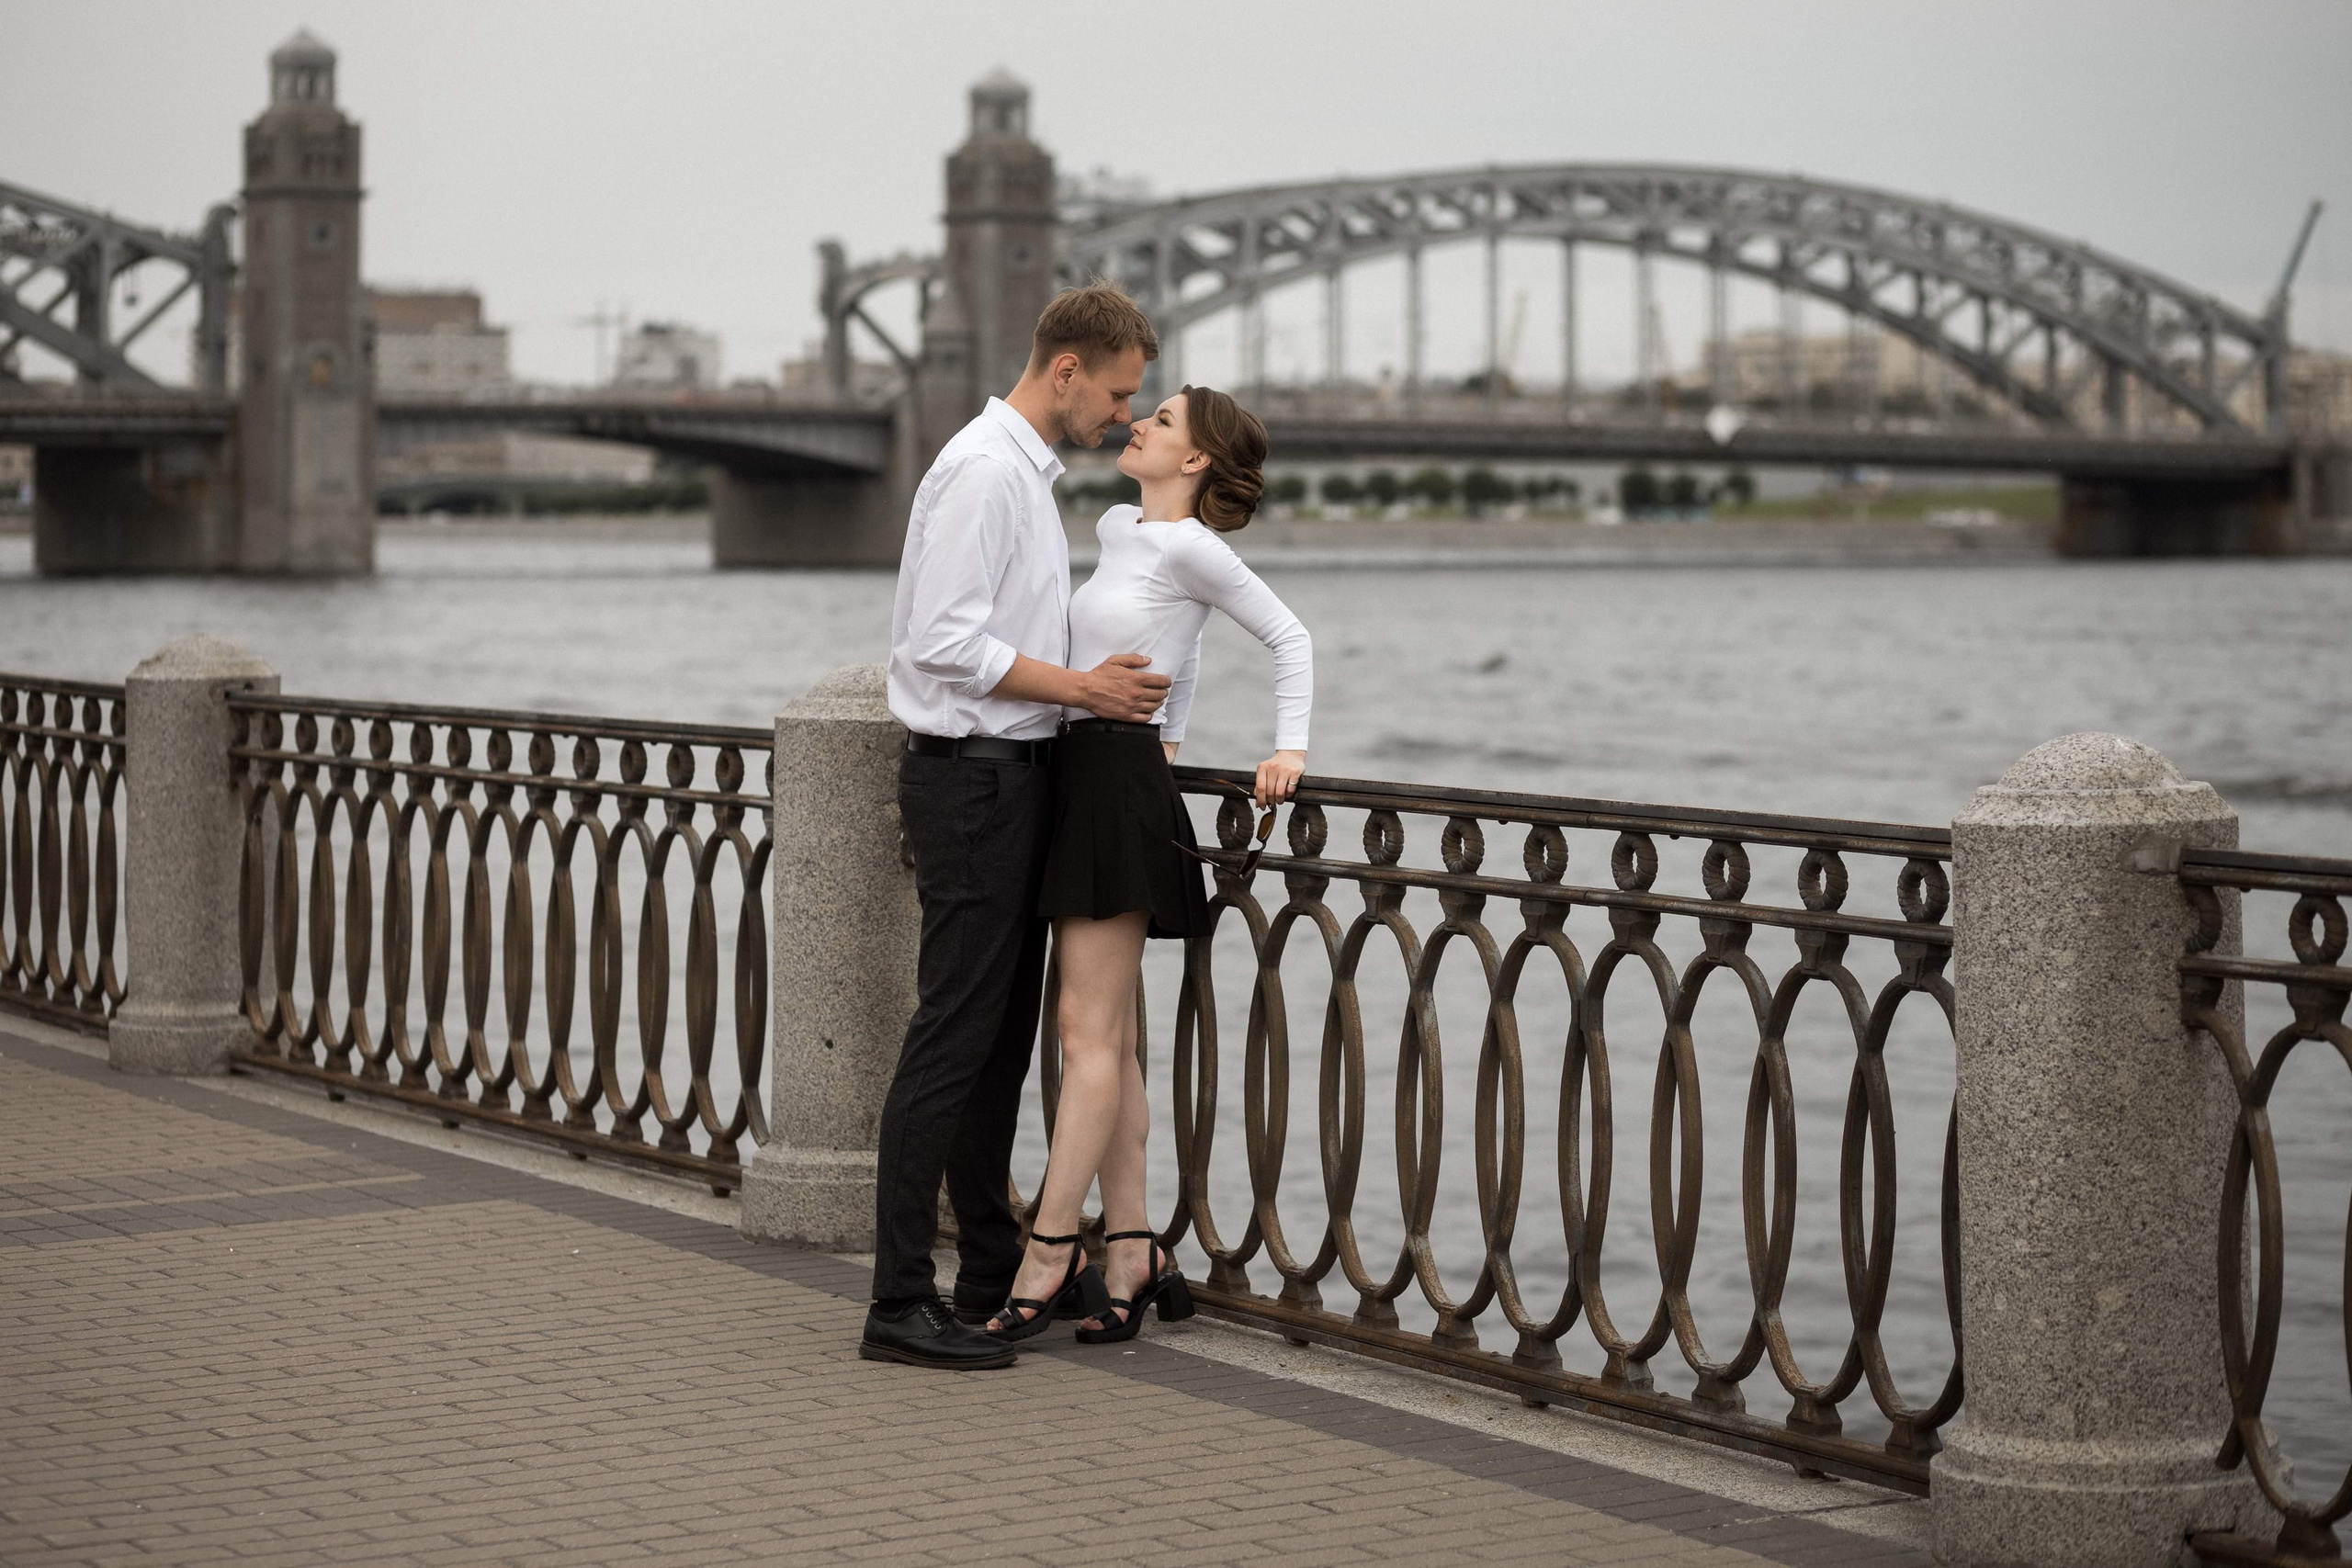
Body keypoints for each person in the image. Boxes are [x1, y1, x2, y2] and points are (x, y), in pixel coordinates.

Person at [861, 285, 1171, 1372]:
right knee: (952, 1040)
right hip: (973, 785)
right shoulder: (990, 474)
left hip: (1008, 781)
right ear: (1067, 367)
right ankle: (898, 1300)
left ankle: (988, 1272)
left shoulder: (1020, 475)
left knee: (992, 1048)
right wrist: (1085, 690)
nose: (1126, 419)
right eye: (1119, 393)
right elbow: (941, 647)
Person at [984, 384, 1311, 1346]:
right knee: (1109, 1044)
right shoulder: (1122, 524)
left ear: (1198, 459)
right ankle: (1130, 1250)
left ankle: (1049, 1253)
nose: (1139, 423)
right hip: (1094, 774)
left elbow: (1290, 638)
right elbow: (1184, 644)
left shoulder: (1192, 547)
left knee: (1084, 1037)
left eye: (1161, 420)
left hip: (1113, 785)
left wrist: (1285, 750)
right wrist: (1171, 736)